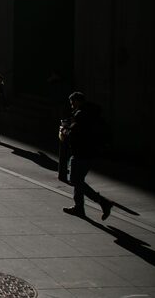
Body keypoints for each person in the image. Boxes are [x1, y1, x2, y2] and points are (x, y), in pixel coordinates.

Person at [59, 91, 113, 219]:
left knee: (75, 180)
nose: (71, 105)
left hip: (81, 152)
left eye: (72, 102)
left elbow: (75, 133)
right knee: (79, 181)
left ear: (77, 101)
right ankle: (79, 208)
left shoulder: (81, 114)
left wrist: (65, 130)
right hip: (90, 152)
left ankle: (103, 202)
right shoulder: (92, 113)